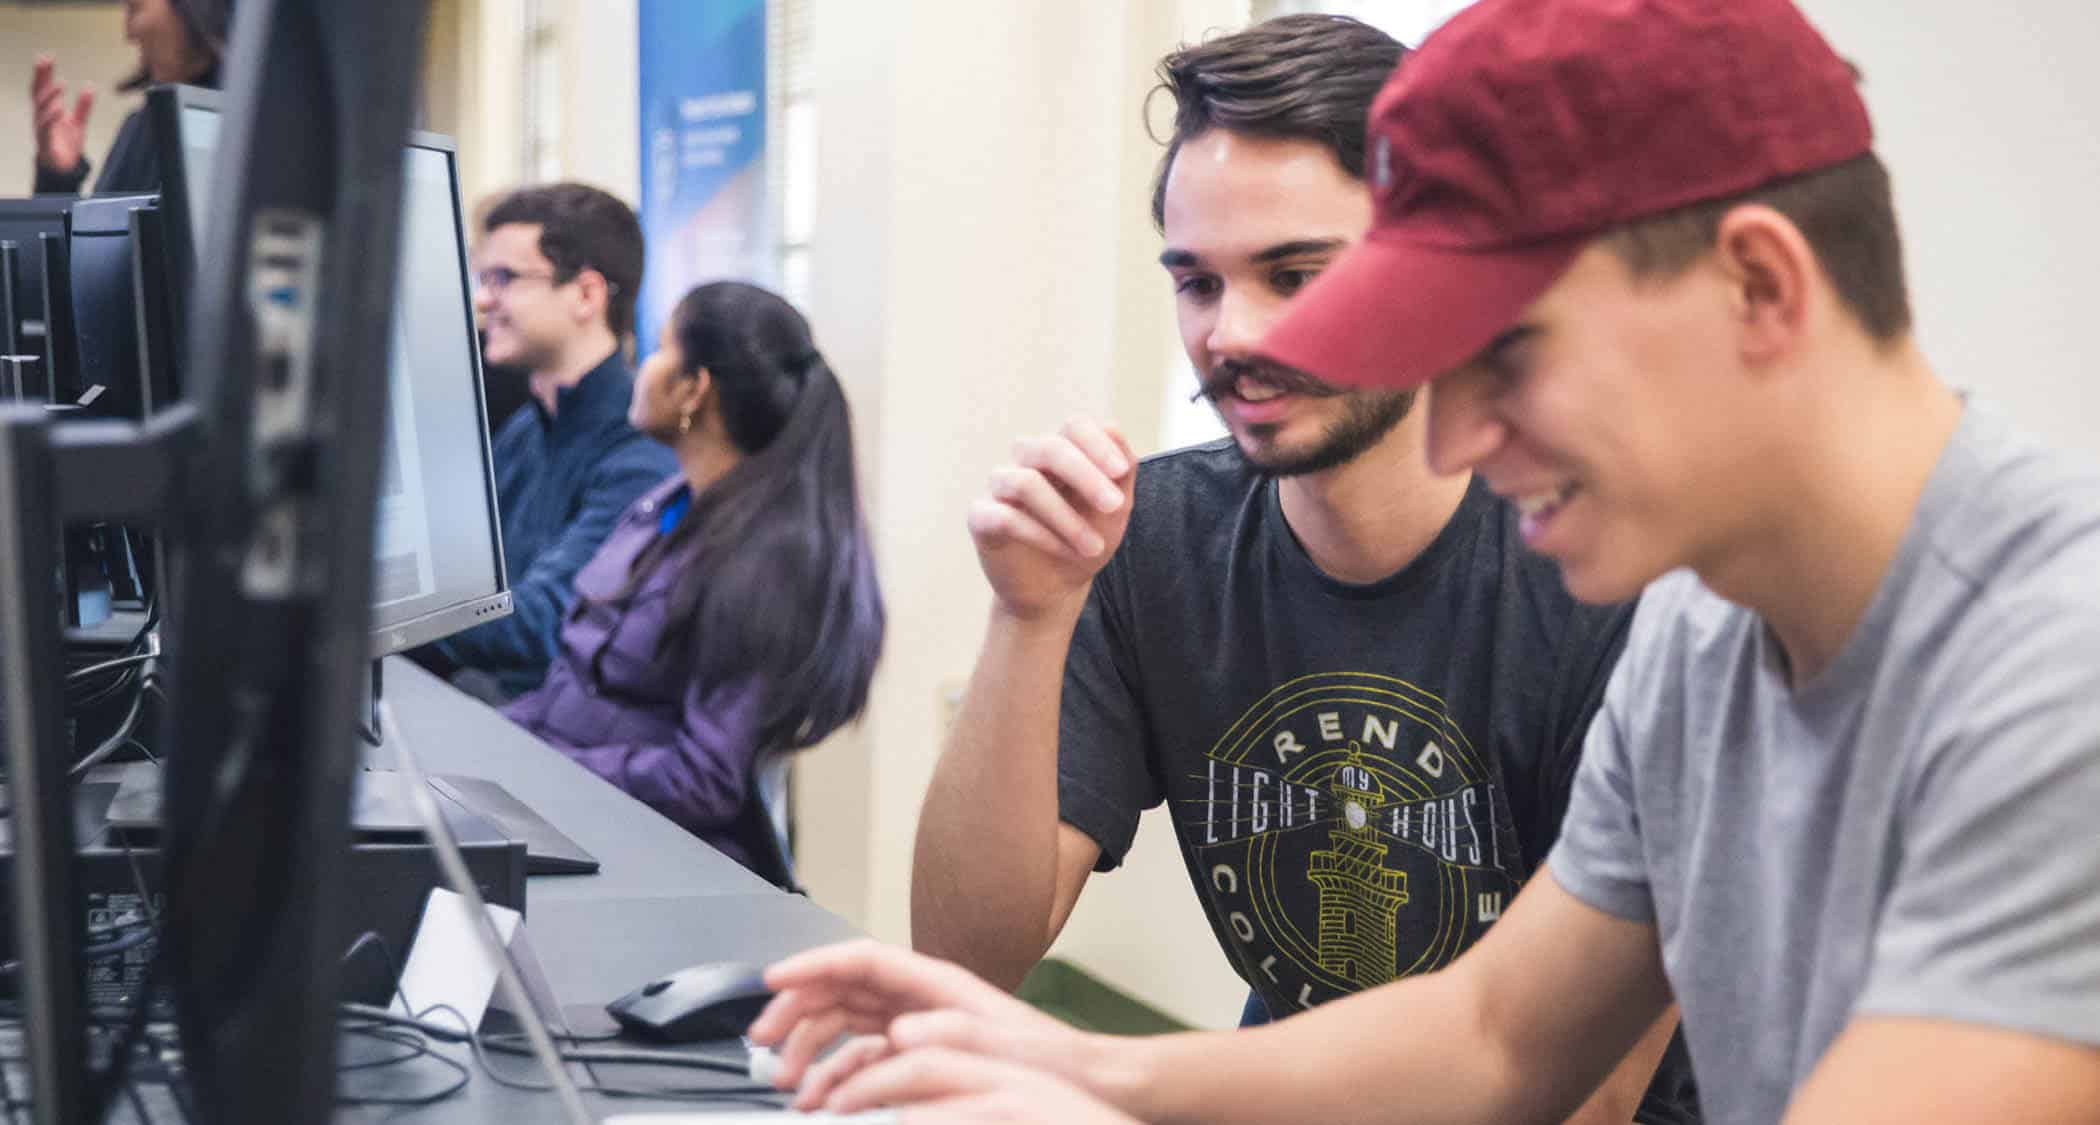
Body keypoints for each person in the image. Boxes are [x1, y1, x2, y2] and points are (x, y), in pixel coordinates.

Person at [748, 0, 2100, 1122]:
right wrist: (1071, 1064)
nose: (1450, 426)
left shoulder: (2060, 668)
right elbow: (1501, 1037)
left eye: (1506, 350)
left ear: (1758, 286)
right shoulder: (1705, 639)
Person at [907, 14, 1692, 1122]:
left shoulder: (1618, 579)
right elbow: (965, 957)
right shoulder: (1151, 543)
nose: (1233, 335)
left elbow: (1581, 1094)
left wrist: (1110, 1081)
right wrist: (1025, 621)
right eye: (1198, 283)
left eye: (1294, 273)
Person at [501, 281, 884, 877]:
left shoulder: (766, 562)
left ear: (693, 389)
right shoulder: (666, 504)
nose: (639, 368)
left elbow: (703, 781)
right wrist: (494, 742)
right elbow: (571, 685)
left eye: (657, 350)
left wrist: (547, 763)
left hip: (658, 861)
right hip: (575, 816)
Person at [412, 183, 676, 699]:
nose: (483, 299)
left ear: (586, 294)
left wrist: (375, 610)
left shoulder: (641, 456)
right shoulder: (527, 431)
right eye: (482, 278)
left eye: (505, 279)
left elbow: (541, 622)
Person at [29, 0, 233, 195]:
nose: (129, 33)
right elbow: (103, 228)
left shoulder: (247, 125)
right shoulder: (140, 126)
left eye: (134, 8)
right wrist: (57, 180)